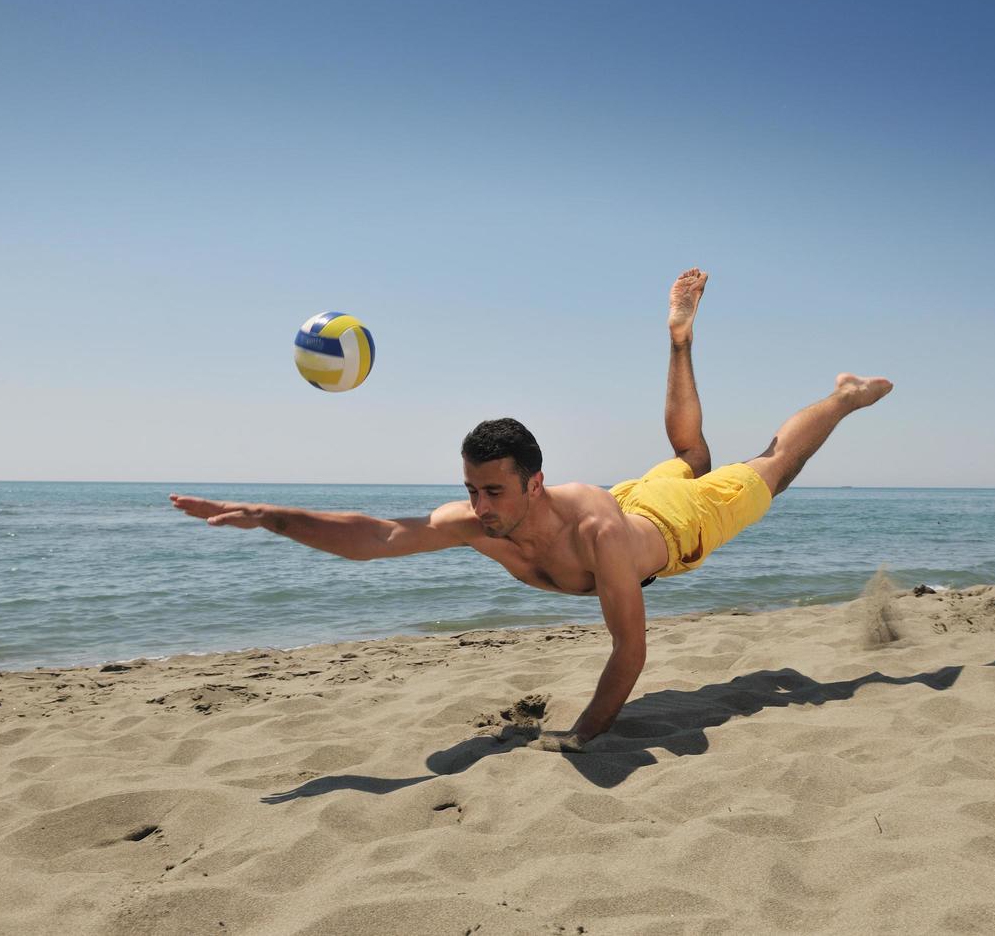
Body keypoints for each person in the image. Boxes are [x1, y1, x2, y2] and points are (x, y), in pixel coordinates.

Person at [170, 269, 892, 751]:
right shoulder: (478, 522)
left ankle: (844, 396)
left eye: (495, 492)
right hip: (631, 500)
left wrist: (581, 734)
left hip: (671, 524)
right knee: (689, 453)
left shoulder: (596, 533)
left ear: (535, 484)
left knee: (769, 466)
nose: (480, 508)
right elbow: (379, 536)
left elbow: (631, 650)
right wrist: (273, 516)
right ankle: (680, 341)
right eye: (473, 489)